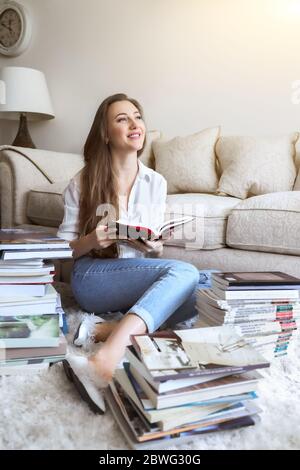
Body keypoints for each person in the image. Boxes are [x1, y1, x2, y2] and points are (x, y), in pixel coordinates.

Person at [57, 93, 204, 414]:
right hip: (92, 278)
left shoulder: (156, 182)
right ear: (106, 134)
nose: (134, 124)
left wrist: (154, 246)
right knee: (186, 274)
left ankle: (104, 329)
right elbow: (63, 250)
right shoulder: (82, 182)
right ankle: (109, 353)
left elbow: (155, 246)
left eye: (137, 116)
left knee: (209, 288)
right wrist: (92, 240)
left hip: (132, 278)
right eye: (122, 118)